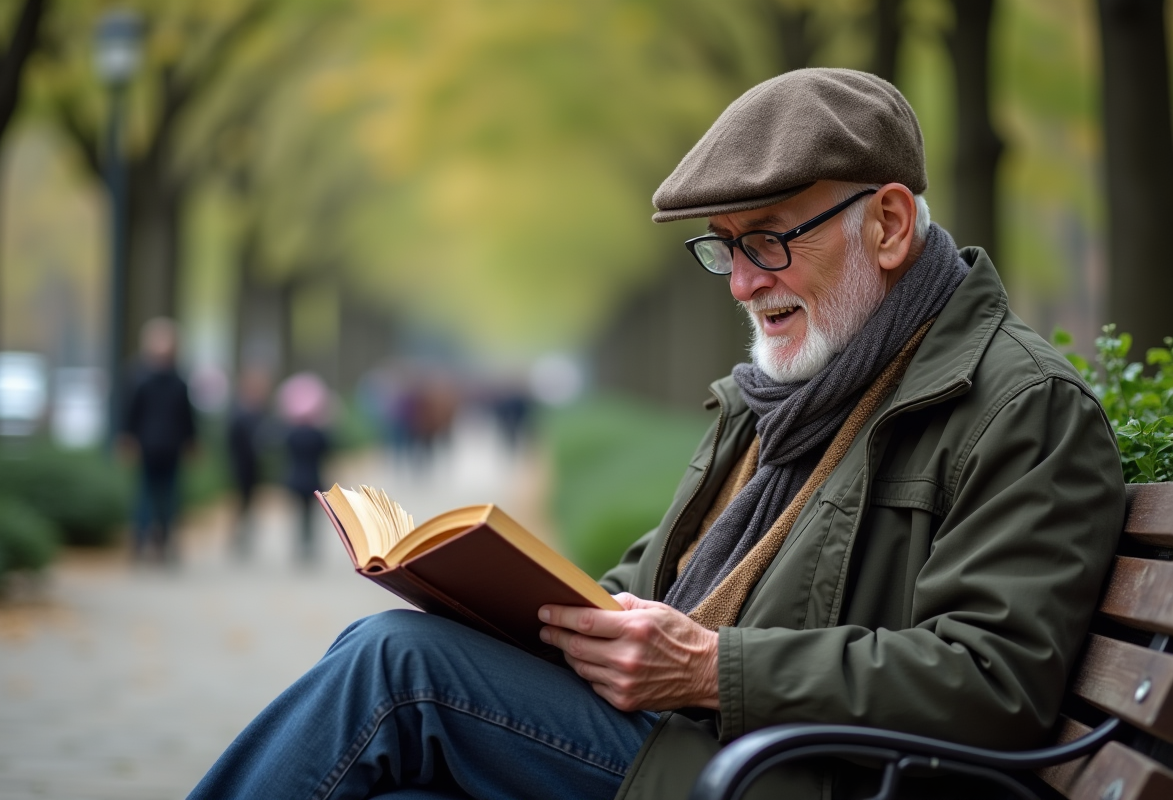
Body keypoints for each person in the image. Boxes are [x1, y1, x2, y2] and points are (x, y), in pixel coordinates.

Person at [188, 69, 1125, 800]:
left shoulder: (1019, 404)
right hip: (715, 750)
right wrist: (502, 607)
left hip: (789, 775)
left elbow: (994, 680)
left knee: (396, 667)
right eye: (725, 247)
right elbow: (645, 592)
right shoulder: (774, 401)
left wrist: (714, 670)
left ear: (886, 223)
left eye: (770, 238)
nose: (743, 281)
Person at [121, 317, 197, 564]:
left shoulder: (178, 381)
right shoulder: (140, 378)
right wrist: (127, 438)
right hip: (147, 446)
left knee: (169, 497)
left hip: (171, 447)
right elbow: (130, 412)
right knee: (145, 495)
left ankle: (163, 541)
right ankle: (141, 541)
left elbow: (186, 415)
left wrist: (191, 441)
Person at [277, 372, 333, 563]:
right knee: (310, 514)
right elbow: (328, 450)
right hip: (314, 479)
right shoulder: (319, 434)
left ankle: (299, 544)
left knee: (298, 514)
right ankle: (309, 544)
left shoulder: (291, 434)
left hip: (295, 478)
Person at [226, 367, 271, 559]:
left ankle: (245, 532)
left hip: (253, 464)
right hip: (240, 463)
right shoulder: (239, 412)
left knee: (250, 499)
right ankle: (236, 533)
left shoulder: (259, 411)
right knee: (240, 500)